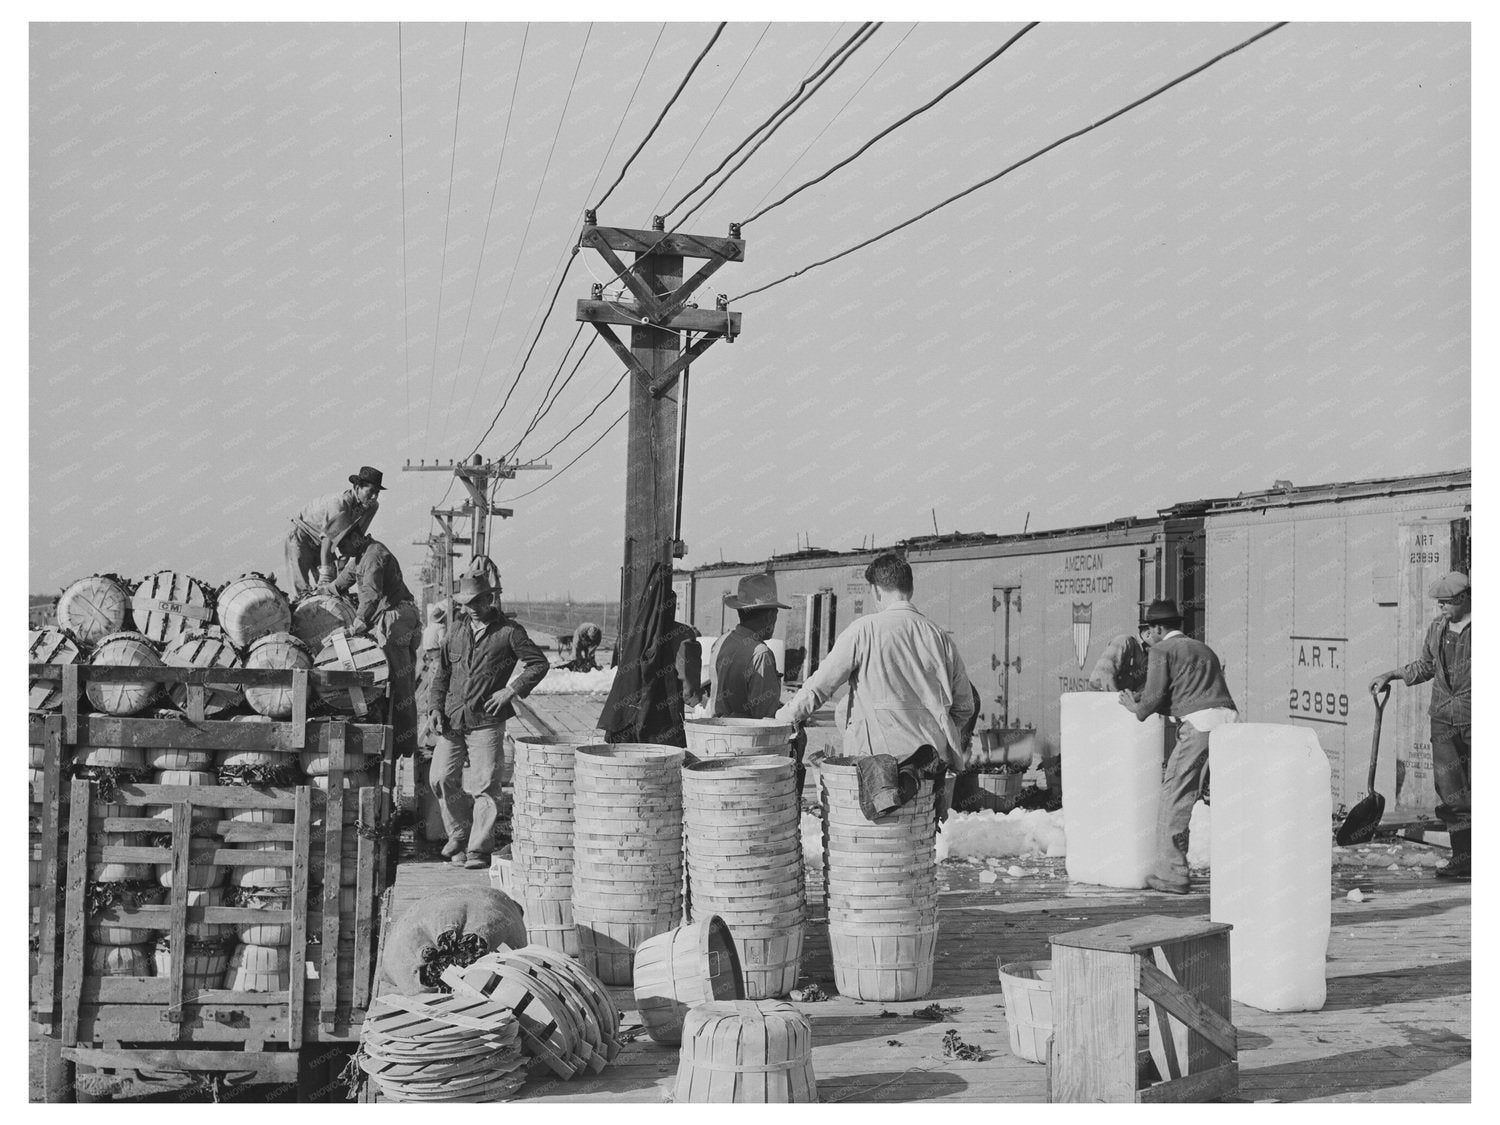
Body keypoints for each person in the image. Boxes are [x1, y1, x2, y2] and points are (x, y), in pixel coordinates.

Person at [776, 553, 975, 778]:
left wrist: (781, 719)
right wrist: (938, 732)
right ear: (910, 589)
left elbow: (819, 688)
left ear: (877, 590)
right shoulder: (940, 637)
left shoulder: (863, 630)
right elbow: (965, 705)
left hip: (876, 770)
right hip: (931, 768)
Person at [427, 572, 550, 869]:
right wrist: (434, 708)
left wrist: (511, 690)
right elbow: (441, 674)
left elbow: (539, 663)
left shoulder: (509, 632)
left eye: (475, 601)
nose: (469, 607)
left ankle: (479, 849)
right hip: (452, 718)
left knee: (486, 786)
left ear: (489, 599)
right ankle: (459, 832)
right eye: (464, 602)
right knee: (440, 778)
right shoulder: (455, 630)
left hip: (487, 720)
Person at [1120, 599, 1238, 894]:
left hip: (1198, 727)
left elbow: (1153, 697)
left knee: (1175, 795)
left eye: (1150, 629)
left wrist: (1133, 705)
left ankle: (1172, 874)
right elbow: (1194, 692)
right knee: (1221, 798)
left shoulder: (1162, 651)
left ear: (1158, 628)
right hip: (1228, 724)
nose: (1149, 636)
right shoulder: (1203, 648)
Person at [1370, 571, 1471, 879]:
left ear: (1464, 599)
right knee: (1451, 791)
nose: (1441, 608)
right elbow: (1427, 666)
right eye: (1439, 603)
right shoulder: (1438, 628)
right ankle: (1464, 858)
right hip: (1443, 720)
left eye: (1447, 603)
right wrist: (1393, 674)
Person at [328, 532, 422, 758]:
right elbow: (342, 581)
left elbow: (371, 595)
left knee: (400, 686)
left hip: (395, 618)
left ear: (355, 537)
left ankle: (405, 749)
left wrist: (355, 627)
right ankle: (393, 741)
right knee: (388, 683)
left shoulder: (373, 557)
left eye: (343, 545)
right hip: (391, 616)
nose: (341, 552)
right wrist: (325, 591)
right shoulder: (359, 557)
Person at [284, 467, 385, 596]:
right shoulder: (339, 503)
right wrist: (325, 573)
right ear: (357, 487)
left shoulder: (372, 506)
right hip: (301, 535)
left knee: (332, 589)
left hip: (321, 543)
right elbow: (327, 540)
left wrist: (342, 567)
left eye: (377, 493)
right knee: (301, 589)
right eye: (370, 491)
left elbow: (354, 538)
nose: (374, 496)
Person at [713, 574, 787, 720]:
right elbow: (765, 716)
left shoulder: (722, 641)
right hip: (747, 739)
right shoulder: (760, 653)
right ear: (771, 616)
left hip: (717, 733)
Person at [662, 592, 704, 711]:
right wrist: (694, 701)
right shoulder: (682, 633)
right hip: (669, 707)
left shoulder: (639, 633)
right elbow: (687, 672)